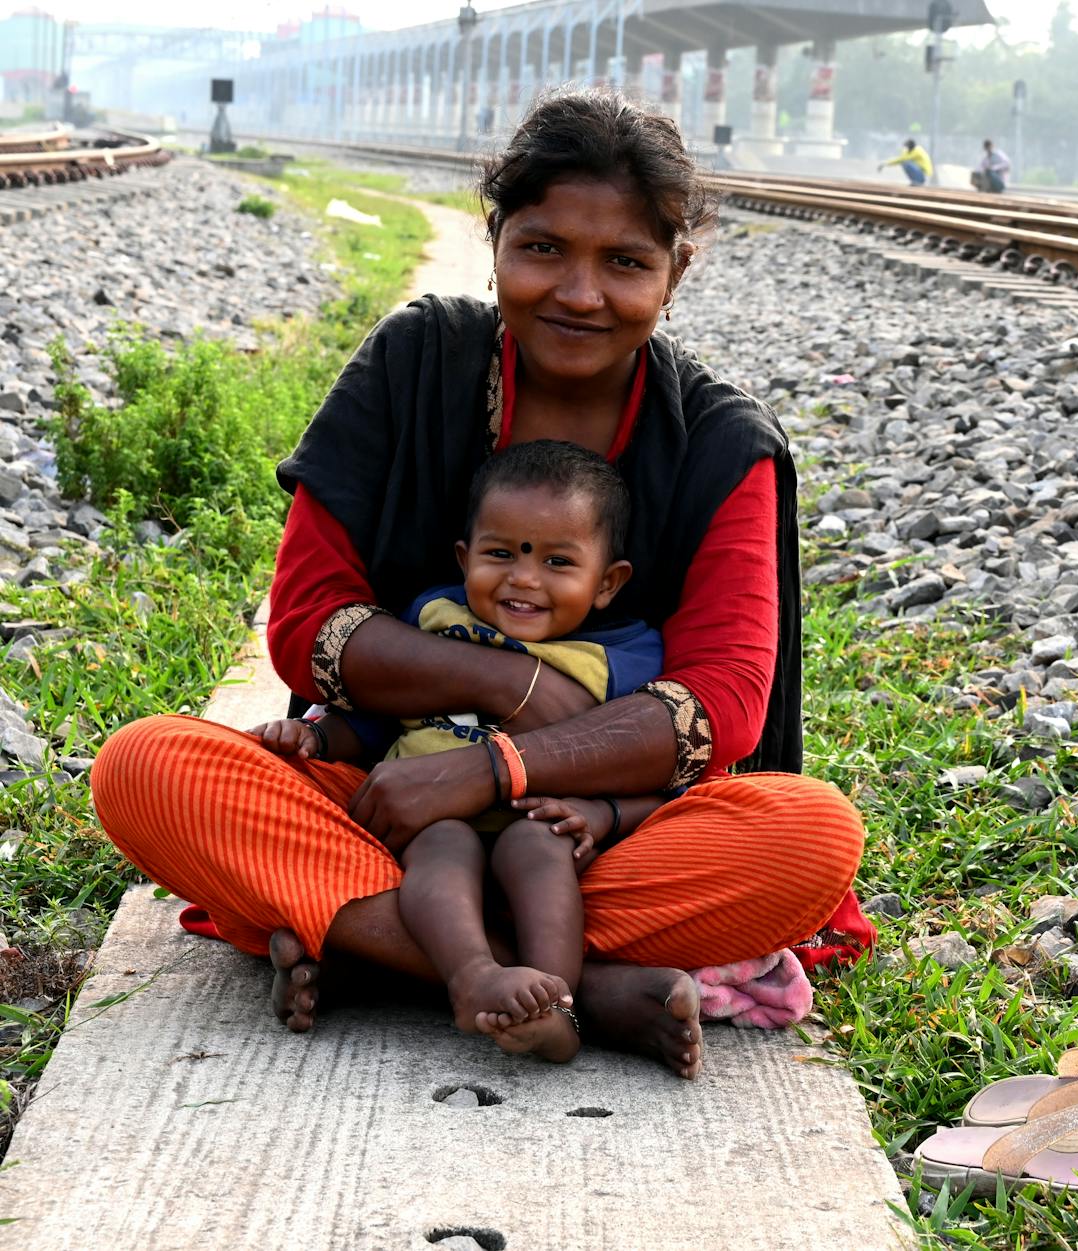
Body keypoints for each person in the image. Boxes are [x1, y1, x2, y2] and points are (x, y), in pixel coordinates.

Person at [89, 87, 874, 1082]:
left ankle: (379, 941)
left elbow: (722, 706)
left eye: (625, 262)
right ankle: (573, 983)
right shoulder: (414, 362)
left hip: (592, 835)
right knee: (146, 766)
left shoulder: (720, 443)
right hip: (389, 797)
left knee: (809, 838)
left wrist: (497, 771)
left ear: (675, 274)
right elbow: (305, 624)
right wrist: (510, 689)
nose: (580, 293)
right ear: (494, 236)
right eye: (543, 248)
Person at [248, 440, 663, 1064]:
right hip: (419, 825)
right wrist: (314, 737)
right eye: (502, 554)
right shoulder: (434, 619)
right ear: (465, 557)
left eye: (557, 562)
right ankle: (474, 976)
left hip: (539, 824)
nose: (524, 578)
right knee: (442, 842)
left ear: (608, 583)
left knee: (539, 847)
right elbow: (376, 721)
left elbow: (656, 777)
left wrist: (601, 816)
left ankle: (554, 1005)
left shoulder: (624, 660)